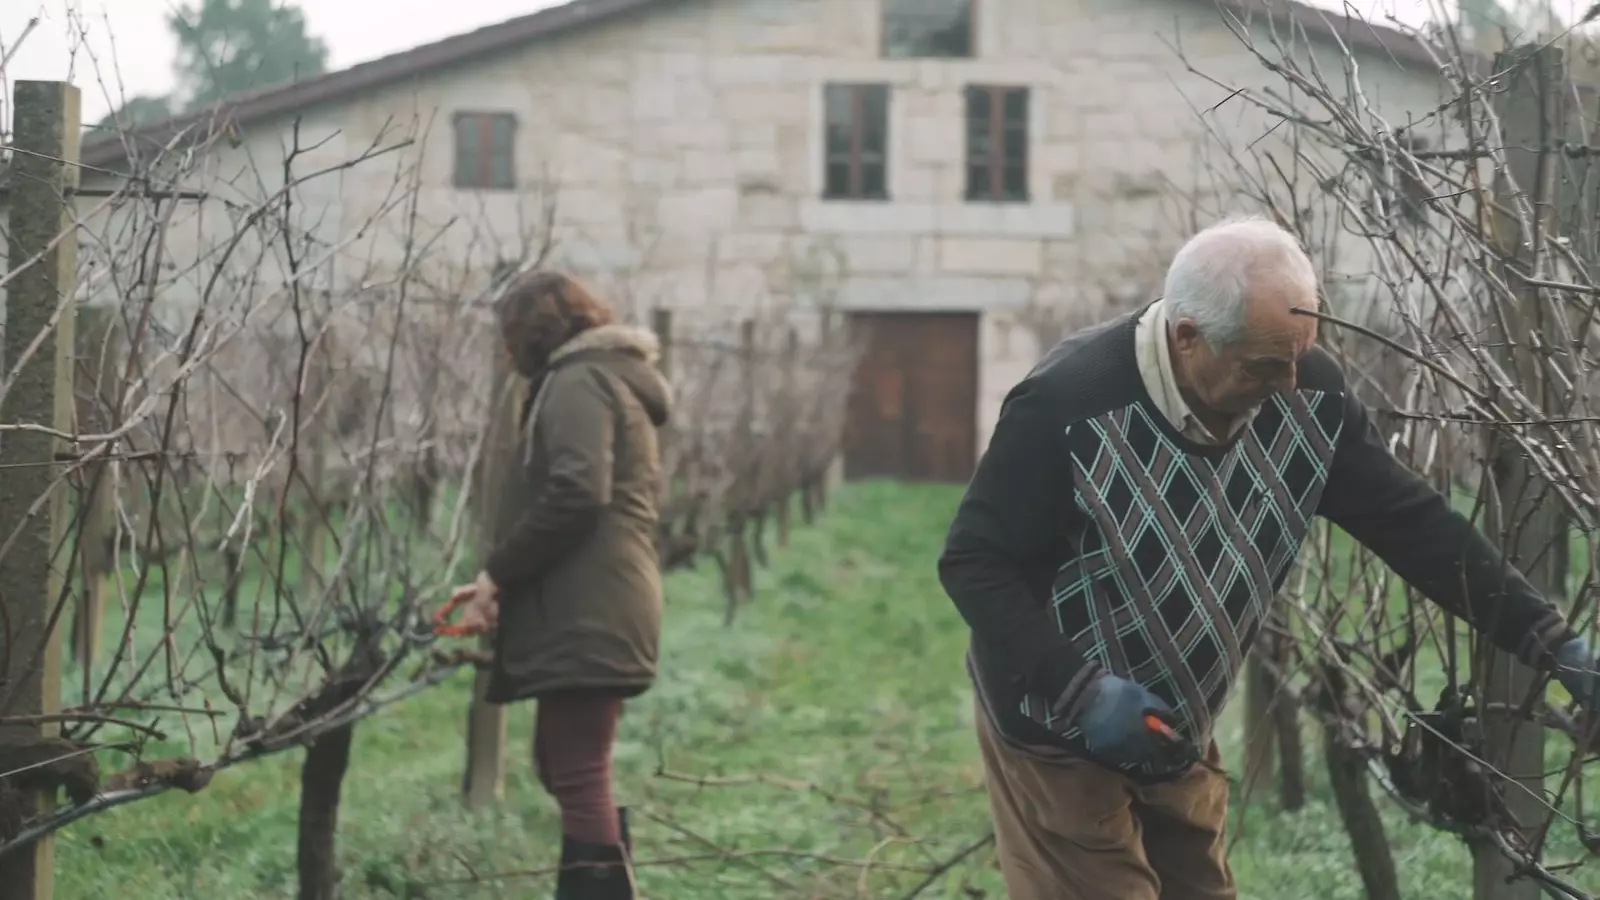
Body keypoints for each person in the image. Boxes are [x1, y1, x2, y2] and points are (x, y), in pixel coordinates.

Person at [937, 215, 1600, 900]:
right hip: (1057, 726)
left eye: (1300, 355)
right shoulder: (1066, 407)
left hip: (1175, 725)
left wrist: (1555, 644)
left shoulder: (1309, 396)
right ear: (1187, 338)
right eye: (1264, 364)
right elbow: (974, 563)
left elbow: (1417, 528)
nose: (1288, 383)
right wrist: (1081, 690)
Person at [450, 270, 671, 900]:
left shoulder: (579, 382)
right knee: (561, 764)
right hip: (594, 598)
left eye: (508, 334)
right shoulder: (594, 378)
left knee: (577, 773)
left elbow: (578, 492)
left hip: (593, 605)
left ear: (532, 331)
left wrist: (498, 570)